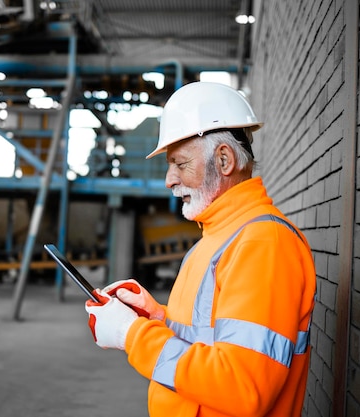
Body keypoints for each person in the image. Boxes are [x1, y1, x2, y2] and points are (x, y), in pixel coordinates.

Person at [84, 82, 316, 417]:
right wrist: (156, 317)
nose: (169, 179)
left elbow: (241, 385)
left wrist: (131, 333)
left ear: (224, 159)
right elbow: (210, 339)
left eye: (179, 163)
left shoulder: (264, 243)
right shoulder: (218, 240)